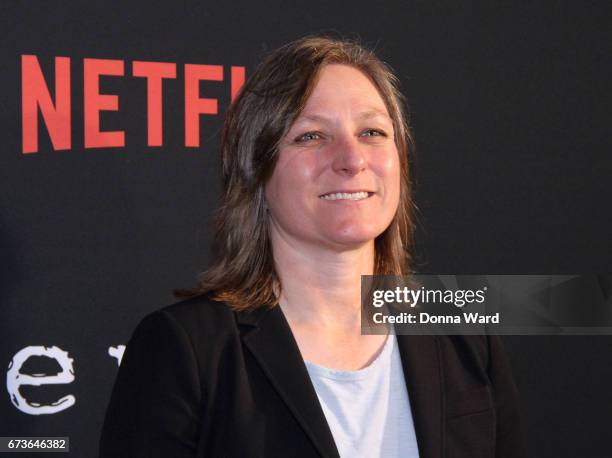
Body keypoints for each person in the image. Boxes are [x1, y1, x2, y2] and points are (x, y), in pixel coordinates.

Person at [99, 35, 525, 458]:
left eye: (372, 131)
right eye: (312, 136)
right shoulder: (187, 352)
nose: (352, 159)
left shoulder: (462, 334)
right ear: (255, 169)